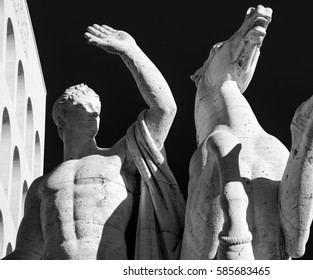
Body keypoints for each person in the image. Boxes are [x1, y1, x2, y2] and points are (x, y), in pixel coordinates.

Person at [3, 24, 185, 260]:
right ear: (63, 115)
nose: (94, 114)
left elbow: (165, 109)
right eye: (86, 107)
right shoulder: (42, 184)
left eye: (97, 110)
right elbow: (26, 253)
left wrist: (130, 52)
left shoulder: (117, 158)